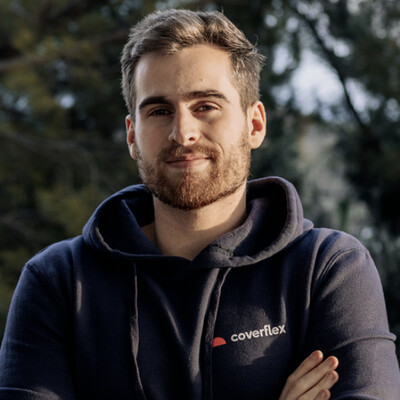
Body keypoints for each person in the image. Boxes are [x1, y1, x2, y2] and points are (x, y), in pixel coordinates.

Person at [0, 8, 399, 400]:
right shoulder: (59, 282)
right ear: (132, 136)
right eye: (159, 111)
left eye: (205, 106)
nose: (183, 132)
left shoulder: (327, 269)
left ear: (254, 124)